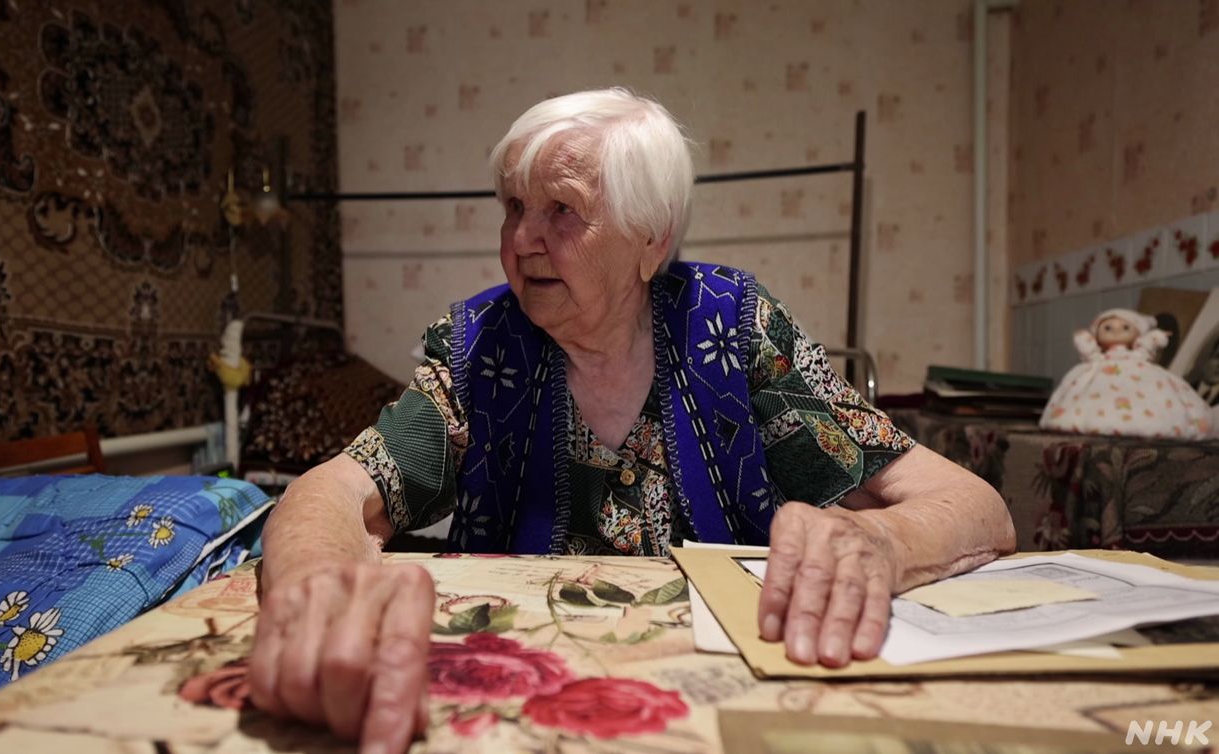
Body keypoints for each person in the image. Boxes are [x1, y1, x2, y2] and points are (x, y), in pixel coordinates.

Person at [248, 88, 1015, 753]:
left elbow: (975, 506)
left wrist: (881, 542)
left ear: (652, 239)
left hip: (728, 695)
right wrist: (321, 584)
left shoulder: (735, 330)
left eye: (561, 210)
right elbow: (335, 490)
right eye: (513, 207)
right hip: (517, 705)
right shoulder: (481, 349)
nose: (521, 240)